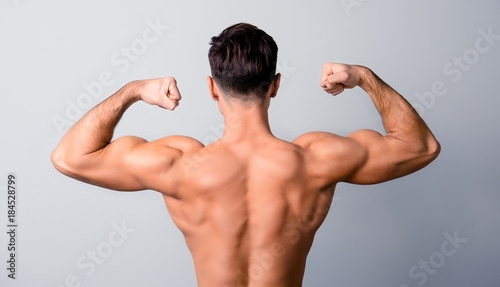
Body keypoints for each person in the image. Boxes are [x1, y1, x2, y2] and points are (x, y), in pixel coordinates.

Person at [51, 23, 440, 287]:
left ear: (212, 88)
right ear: (275, 86)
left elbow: (70, 157)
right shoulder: (315, 159)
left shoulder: (180, 164)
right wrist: (363, 77)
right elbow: (420, 147)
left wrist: (134, 89)